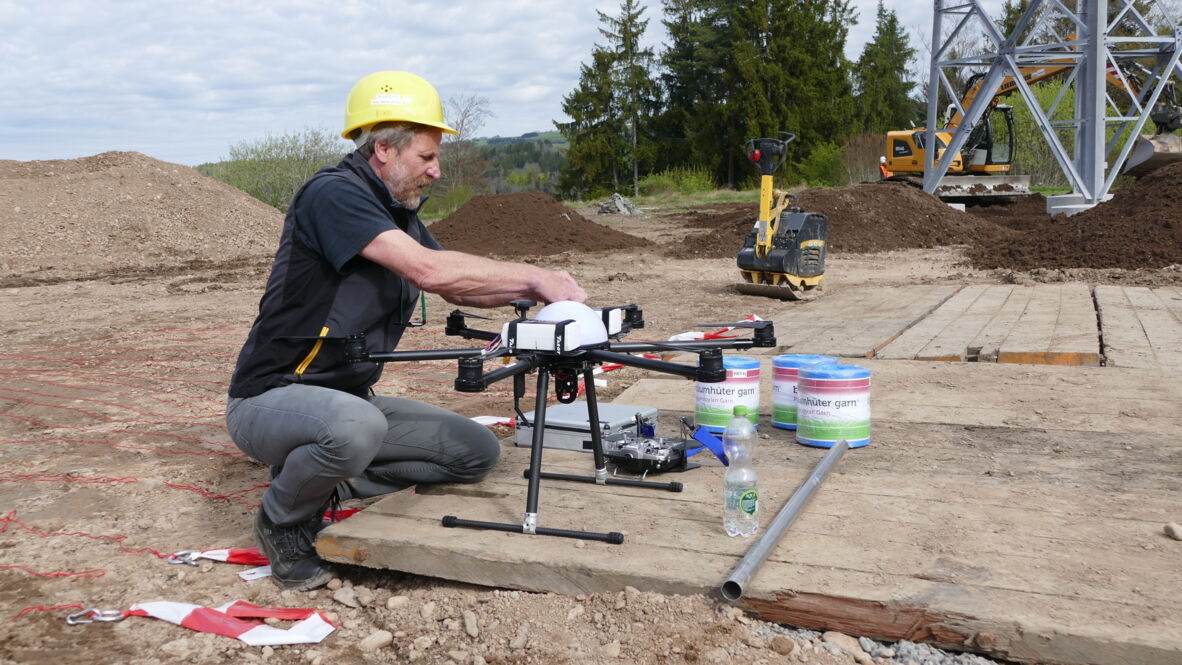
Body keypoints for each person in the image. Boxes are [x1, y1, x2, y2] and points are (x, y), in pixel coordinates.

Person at [225, 71, 586, 591]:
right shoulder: (332, 195)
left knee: (474, 452)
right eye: (427, 157)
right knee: (355, 429)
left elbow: (458, 287)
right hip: (270, 398)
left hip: (348, 402)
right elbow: (429, 271)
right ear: (383, 150)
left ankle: (322, 481)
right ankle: (282, 519)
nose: (436, 170)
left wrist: (546, 299)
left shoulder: (396, 215)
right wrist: (534, 275)